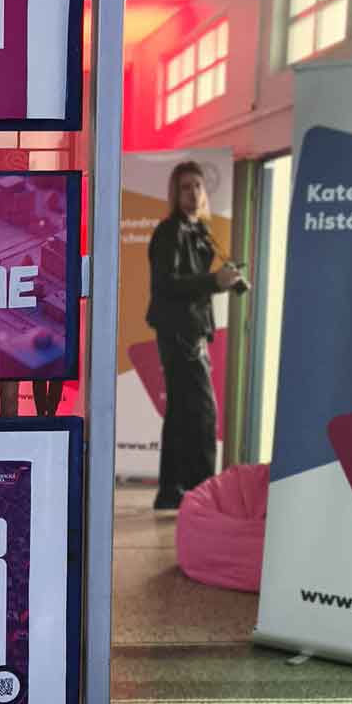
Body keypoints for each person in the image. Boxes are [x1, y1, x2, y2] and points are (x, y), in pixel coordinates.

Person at [146, 161, 242, 512]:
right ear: (175, 192)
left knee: (182, 413)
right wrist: (213, 281)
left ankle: (173, 491)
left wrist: (223, 280)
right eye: (185, 187)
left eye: (197, 186)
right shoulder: (170, 231)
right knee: (201, 413)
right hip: (179, 332)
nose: (193, 193)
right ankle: (201, 492)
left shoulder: (198, 229)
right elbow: (166, 284)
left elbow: (192, 280)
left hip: (190, 329)